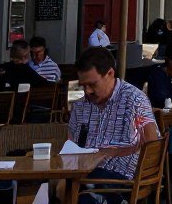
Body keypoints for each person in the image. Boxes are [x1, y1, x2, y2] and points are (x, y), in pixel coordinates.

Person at [69, 47, 160, 203]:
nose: (87, 91)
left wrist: (109, 153)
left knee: (83, 194)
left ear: (110, 73)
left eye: (92, 84)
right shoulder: (80, 106)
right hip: (84, 175)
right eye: (83, 85)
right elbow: (71, 146)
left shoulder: (134, 99)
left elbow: (153, 146)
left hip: (124, 177)